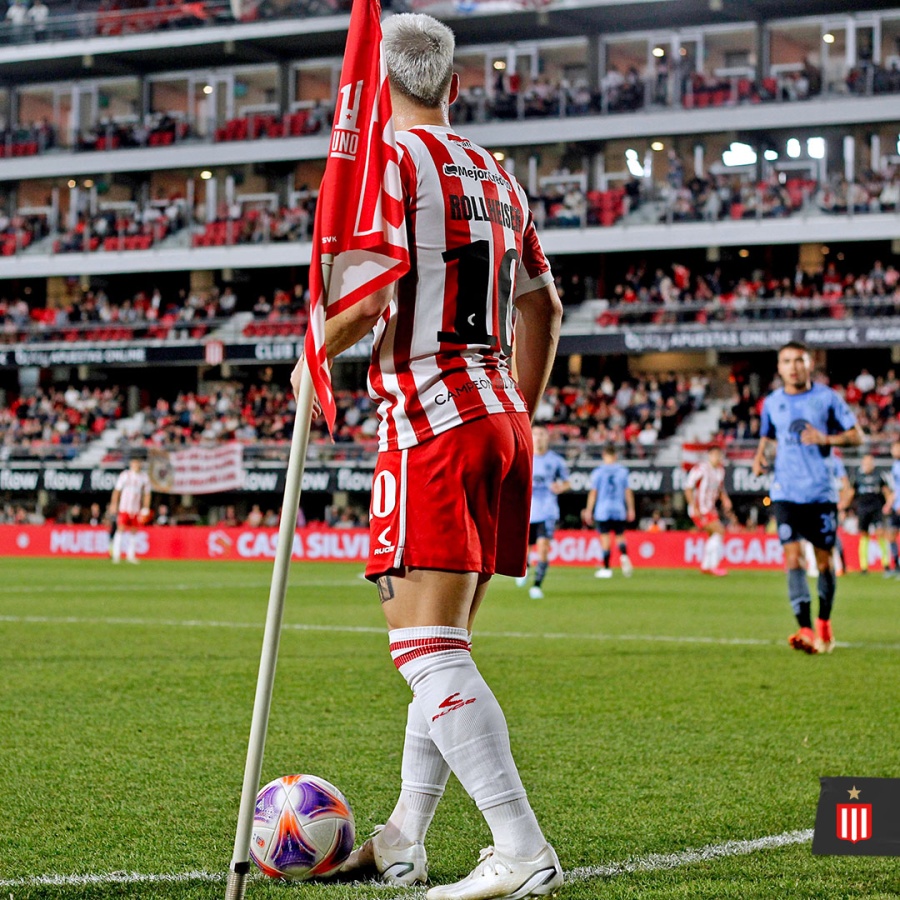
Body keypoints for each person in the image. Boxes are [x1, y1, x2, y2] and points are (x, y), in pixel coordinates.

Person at [291, 14, 564, 900]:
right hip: (500, 416)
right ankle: (404, 837)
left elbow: (372, 303)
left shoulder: (391, 166)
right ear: (454, 85)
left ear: (377, 90)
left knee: (424, 650)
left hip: (432, 420)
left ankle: (520, 845)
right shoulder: (499, 175)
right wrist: (516, 404)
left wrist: (310, 354)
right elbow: (545, 308)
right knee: (442, 643)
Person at [752, 342, 862, 654]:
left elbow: (857, 435)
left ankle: (824, 621)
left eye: (798, 360)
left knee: (825, 563)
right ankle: (804, 628)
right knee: (792, 558)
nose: (793, 367)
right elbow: (768, 436)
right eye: (786, 361)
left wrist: (826, 438)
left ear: (809, 364)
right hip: (785, 492)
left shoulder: (827, 398)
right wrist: (760, 457)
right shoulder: (772, 402)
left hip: (819, 493)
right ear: (779, 367)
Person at [515, 424, 570, 599]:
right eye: (535, 434)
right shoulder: (523, 456)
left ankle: (537, 585)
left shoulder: (555, 460)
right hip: (526, 511)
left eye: (541, 434)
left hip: (547, 511)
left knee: (543, 549)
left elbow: (567, 482)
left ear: (547, 438)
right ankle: (525, 567)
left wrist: (560, 487)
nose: (538, 437)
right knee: (523, 549)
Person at [583, 444, 634, 578]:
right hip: (619, 509)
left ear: (604, 455)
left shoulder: (598, 471)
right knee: (620, 536)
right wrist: (631, 509)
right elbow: (627, 492)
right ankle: (623, 555)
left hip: (603, 510)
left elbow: (593, 493)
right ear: (616, 456)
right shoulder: (623, 471)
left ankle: (606, 568)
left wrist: (589, 510)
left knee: (605, 539)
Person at [684, 445, 733, 576]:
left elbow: (720, 488)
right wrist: (694, 507)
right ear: (709, 456)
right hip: (700, 508)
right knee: (720, 531)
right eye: (715, 455)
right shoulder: (701, 469)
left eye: (720, 455)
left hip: (710, 508)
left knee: (714, 536)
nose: (718, 458)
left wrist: (725, 499)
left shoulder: (720, 471)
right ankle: (713, 566)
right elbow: (688, 488)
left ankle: (706, 566)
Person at [848, 452, 891, 575]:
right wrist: (846, 508)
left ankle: (886, 564)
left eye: (870, 462)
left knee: (880, 533)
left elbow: (886, 490)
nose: (868, 465)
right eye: (866, 462)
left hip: (876, 508)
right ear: (863, 463)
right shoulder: (857, 476)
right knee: (864, 535)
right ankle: (864, 567)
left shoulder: (879, 475)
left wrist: (888, 505)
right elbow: (851, 492)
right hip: (862, 509)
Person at [109, 457, 152, 564]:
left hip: (136, 509)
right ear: (131, 463)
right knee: (121, 529)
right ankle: (116, 555)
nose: (137, 465)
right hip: (124, 507)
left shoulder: (144, 477)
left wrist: (146, 507)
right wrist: (114, 504)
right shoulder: (125, 475)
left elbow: (147, 494)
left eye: (139, 463)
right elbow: (117, 491)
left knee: (134, 530)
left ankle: (131, 555)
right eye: (135, 462)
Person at [883, 440, 900, 577]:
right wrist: (889, 503)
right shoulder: (895, 465)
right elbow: (896, 489)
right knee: (891, 536)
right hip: (896, 506)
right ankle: (896, 565)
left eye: (896, 448)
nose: (893, 451)